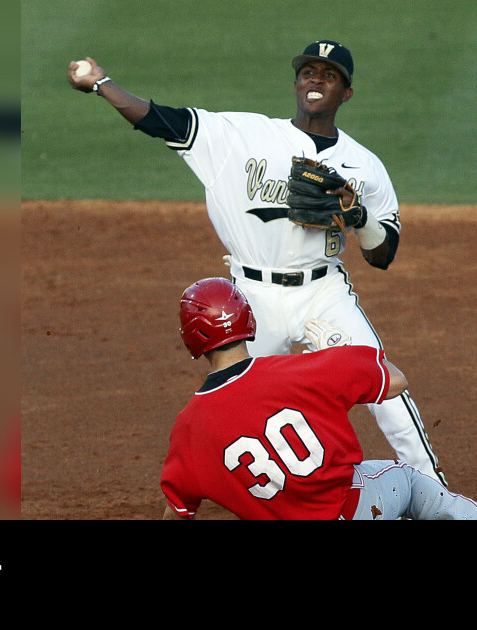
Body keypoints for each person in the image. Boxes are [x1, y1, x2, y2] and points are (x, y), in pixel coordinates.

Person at [69, 40, 446, 485]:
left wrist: (358, 217)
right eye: (308, 72)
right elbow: (157, 118)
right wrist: (102, 84)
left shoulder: (365, 165)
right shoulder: (240, 135)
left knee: (384, 388)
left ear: (346, 93)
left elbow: (384, 254)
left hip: (323, 293)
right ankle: (195, 492)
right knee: (227, 402)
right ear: (295, 83)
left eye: (329, 75)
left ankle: (434, 490)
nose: (316, 81)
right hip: (251, 298)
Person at [160, 278, 477, 520]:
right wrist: (342, 350)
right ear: (248, 319)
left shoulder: (188, 428)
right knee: (406, 479)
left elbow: (177, 509)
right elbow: (395, 381)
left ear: (190, 340)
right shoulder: (301, 371)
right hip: (352, 510)